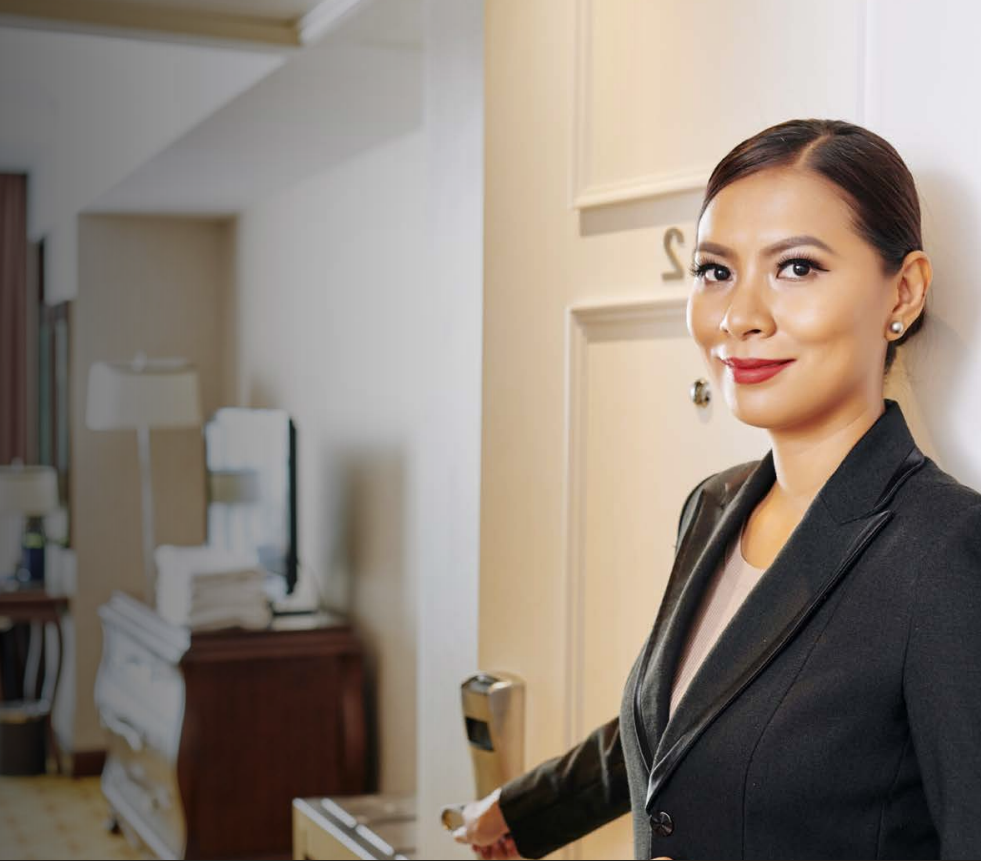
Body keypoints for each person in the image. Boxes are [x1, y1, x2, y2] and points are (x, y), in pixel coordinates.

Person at [448, 118, 981, 860]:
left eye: (796, 267)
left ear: (903, 290)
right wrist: (526, 807)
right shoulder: (714, 504)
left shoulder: (942, 551)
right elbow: (697, 714)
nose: (739, 317)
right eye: (714, 270)